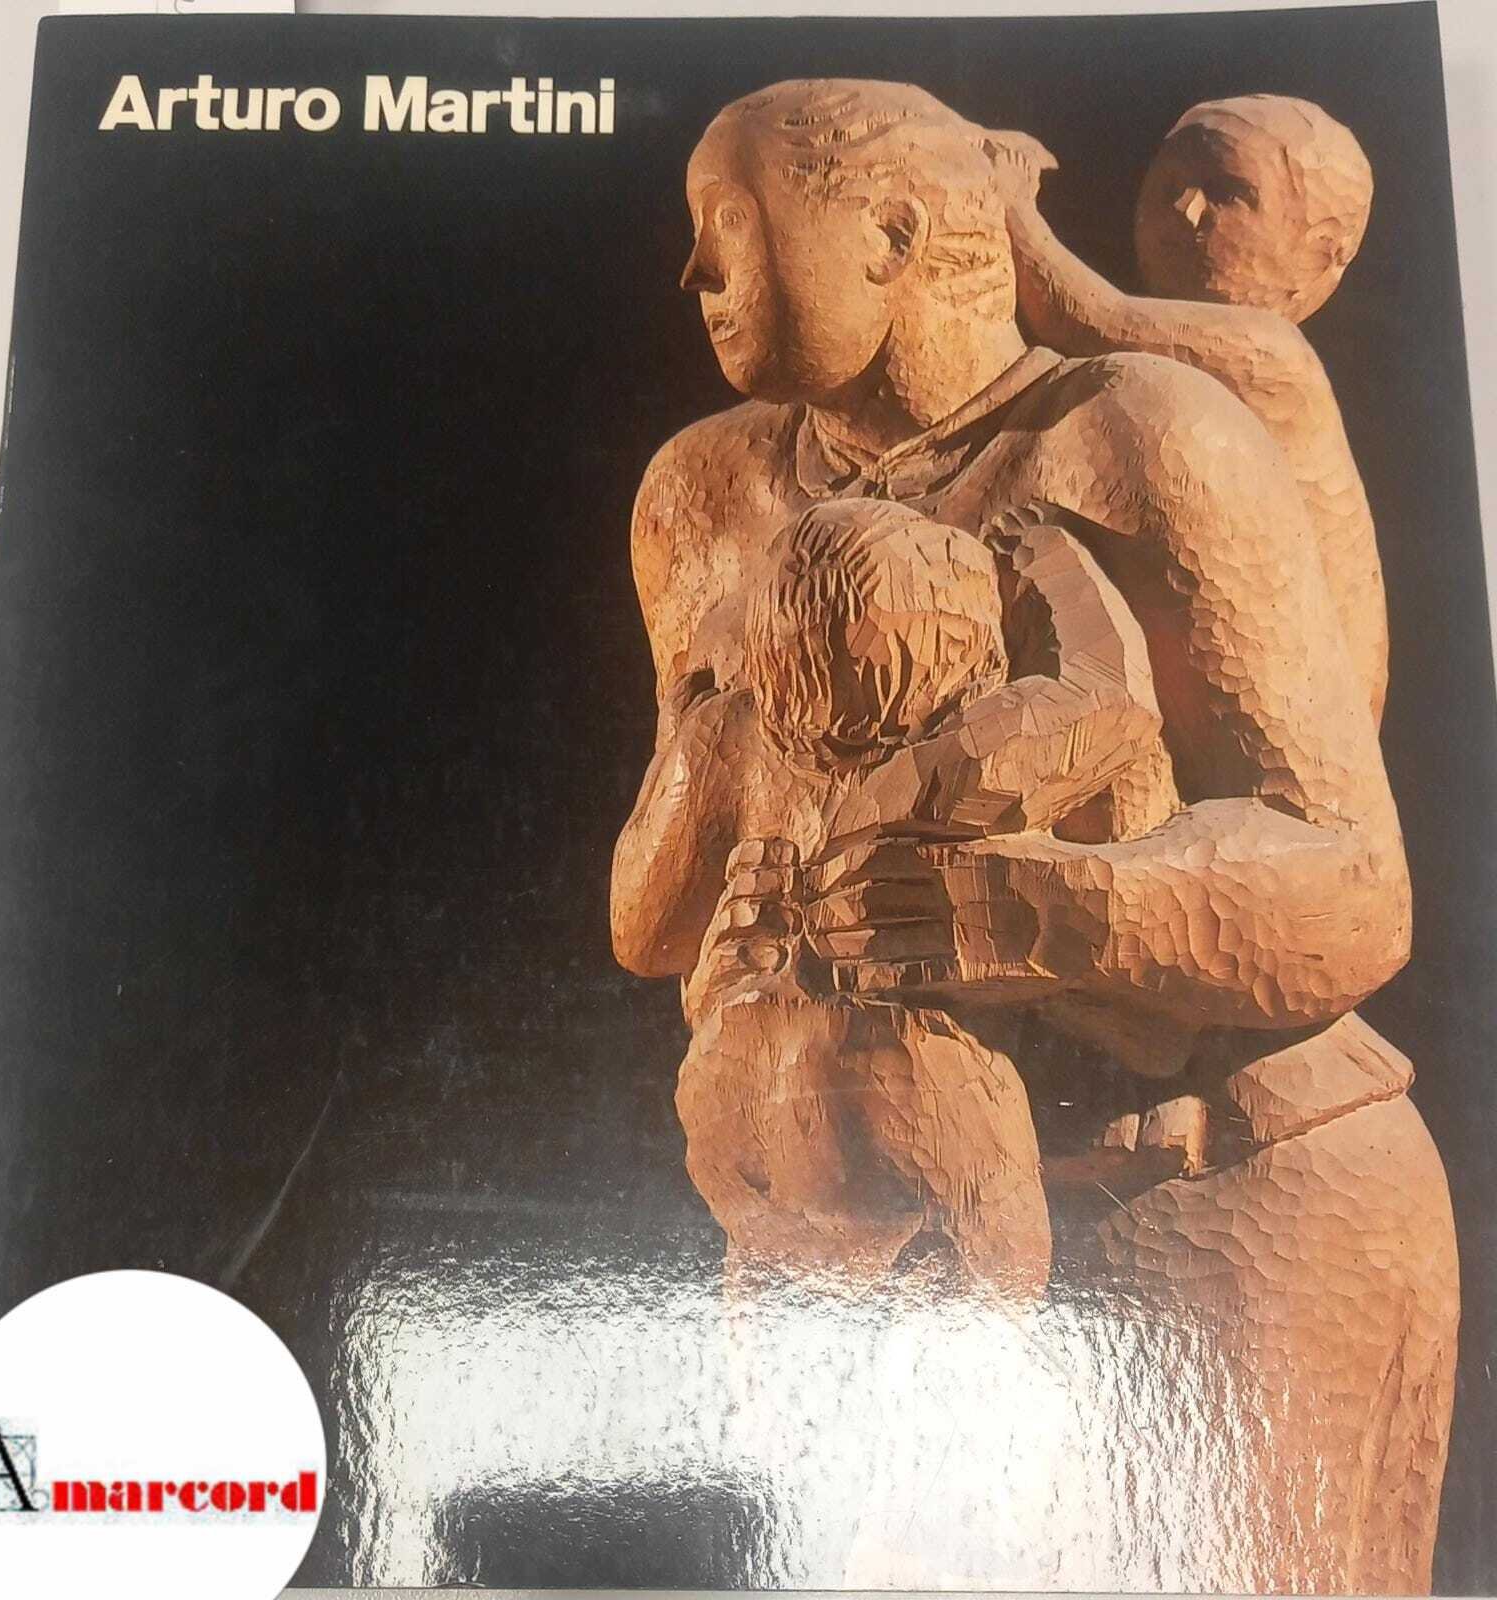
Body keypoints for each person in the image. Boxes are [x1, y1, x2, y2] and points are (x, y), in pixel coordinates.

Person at [616, 77, 1457, 1592]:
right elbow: (656, 912)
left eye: (731, 227)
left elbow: (1354, 889)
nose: (696, 274)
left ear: (891, 234)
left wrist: (1028, 913)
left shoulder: (1142, 435)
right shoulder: (703, 498)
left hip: (1209, 1192)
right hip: (882, 1237)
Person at [614, 494, 1178, 1294]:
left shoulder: (725, 738)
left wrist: (674, 738)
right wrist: (1054, 558)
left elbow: (639, 936)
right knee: (984, 1297)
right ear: (969, 662)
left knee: (772, 1304)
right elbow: (1114, 697)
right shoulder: (962, 761)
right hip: (904, 1100)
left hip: (733, 1090)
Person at [990, 95, 1388, 719]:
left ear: (1320, 252)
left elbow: (1089, 317)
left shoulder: (1274, 355)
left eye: (1230, 193)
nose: (1185, 208)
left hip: (1307, 702)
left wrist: (1010, 201)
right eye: (1171, 184)